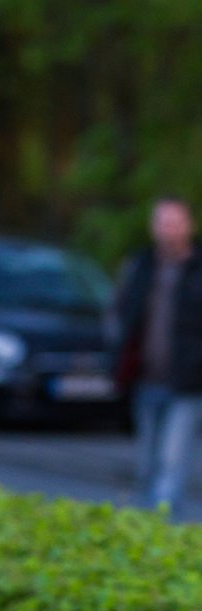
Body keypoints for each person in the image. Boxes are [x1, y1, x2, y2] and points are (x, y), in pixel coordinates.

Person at [110, 196, 202, 518]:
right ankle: (147, 528)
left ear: (189, 225)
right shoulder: (141, 265)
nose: (168, 229)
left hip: (188, 382)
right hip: (145, 376)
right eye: (162, 222)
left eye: (175, 222)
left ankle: (164, 530)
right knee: (147, 462)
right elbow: (121, 314)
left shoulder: (197, 268)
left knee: (172, 460)